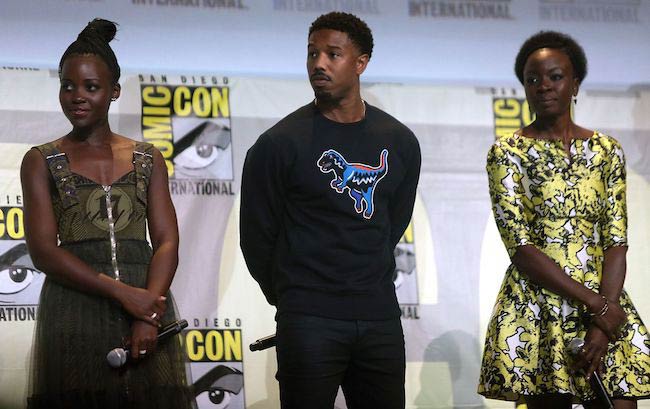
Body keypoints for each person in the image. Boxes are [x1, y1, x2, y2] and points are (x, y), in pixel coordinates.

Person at [240, 11, 421, 409]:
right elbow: (256, 238)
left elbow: (392, 223)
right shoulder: (278, 144)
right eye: (312, 54)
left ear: (361, 62)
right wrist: (295, 299)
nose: (319, 63)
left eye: (333, 54)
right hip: (308, 319)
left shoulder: (400, 141)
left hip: (380, 319)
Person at [21, 19, 194, 409]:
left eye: (90, 87)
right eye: (67, 86)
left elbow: (166, 241)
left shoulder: (147, 157)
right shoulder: (41, 160)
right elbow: (44, 252)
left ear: (114, 92)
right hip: (75, 309)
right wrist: (123, 294)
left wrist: (147, 312)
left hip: (147, 304)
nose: (77, 96)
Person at [478, 31, 650, 409]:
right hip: (540, 305)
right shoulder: (507, 152)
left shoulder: (606, 150)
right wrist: (599, 307)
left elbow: (616, 242)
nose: (543, 86)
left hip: (605, 300)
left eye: (555, 77)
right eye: (532, 79)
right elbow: (521, 248)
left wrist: (604, 318)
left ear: (575, 84)